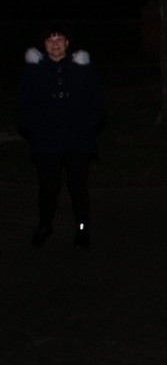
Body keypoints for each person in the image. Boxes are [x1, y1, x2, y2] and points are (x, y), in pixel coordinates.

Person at [17, 24, 104, 248]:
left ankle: (82, 228)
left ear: (67, 42)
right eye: (50, 40)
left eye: (59, 39)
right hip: (46, 142)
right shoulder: (33, 71)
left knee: (78, 187)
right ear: (44, 45)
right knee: (47, 187)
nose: (55, 44)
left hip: (78, 140)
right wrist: (33, 128)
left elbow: (97, 103)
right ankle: (45, 224)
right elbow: (23, 106)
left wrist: (88, 125)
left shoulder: (82, 69)